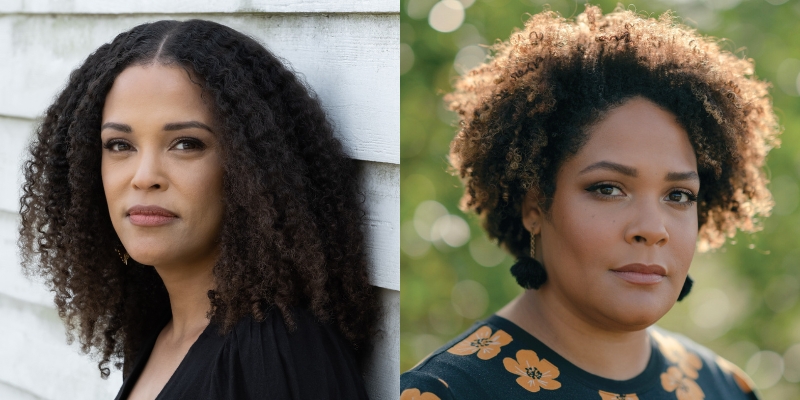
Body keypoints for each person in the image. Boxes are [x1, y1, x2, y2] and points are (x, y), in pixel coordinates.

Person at [401, 5, 779, 400]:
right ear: (534, 206)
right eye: (608, 188)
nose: (652, 228)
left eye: (679, 195)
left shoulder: (727, 389)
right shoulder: (442, 393)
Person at [19, 19, 376, 400]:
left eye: (186, 144)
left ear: (250, 169)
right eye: (120, 145)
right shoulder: (159, 336)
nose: (145, 177)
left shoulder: (274, 352)